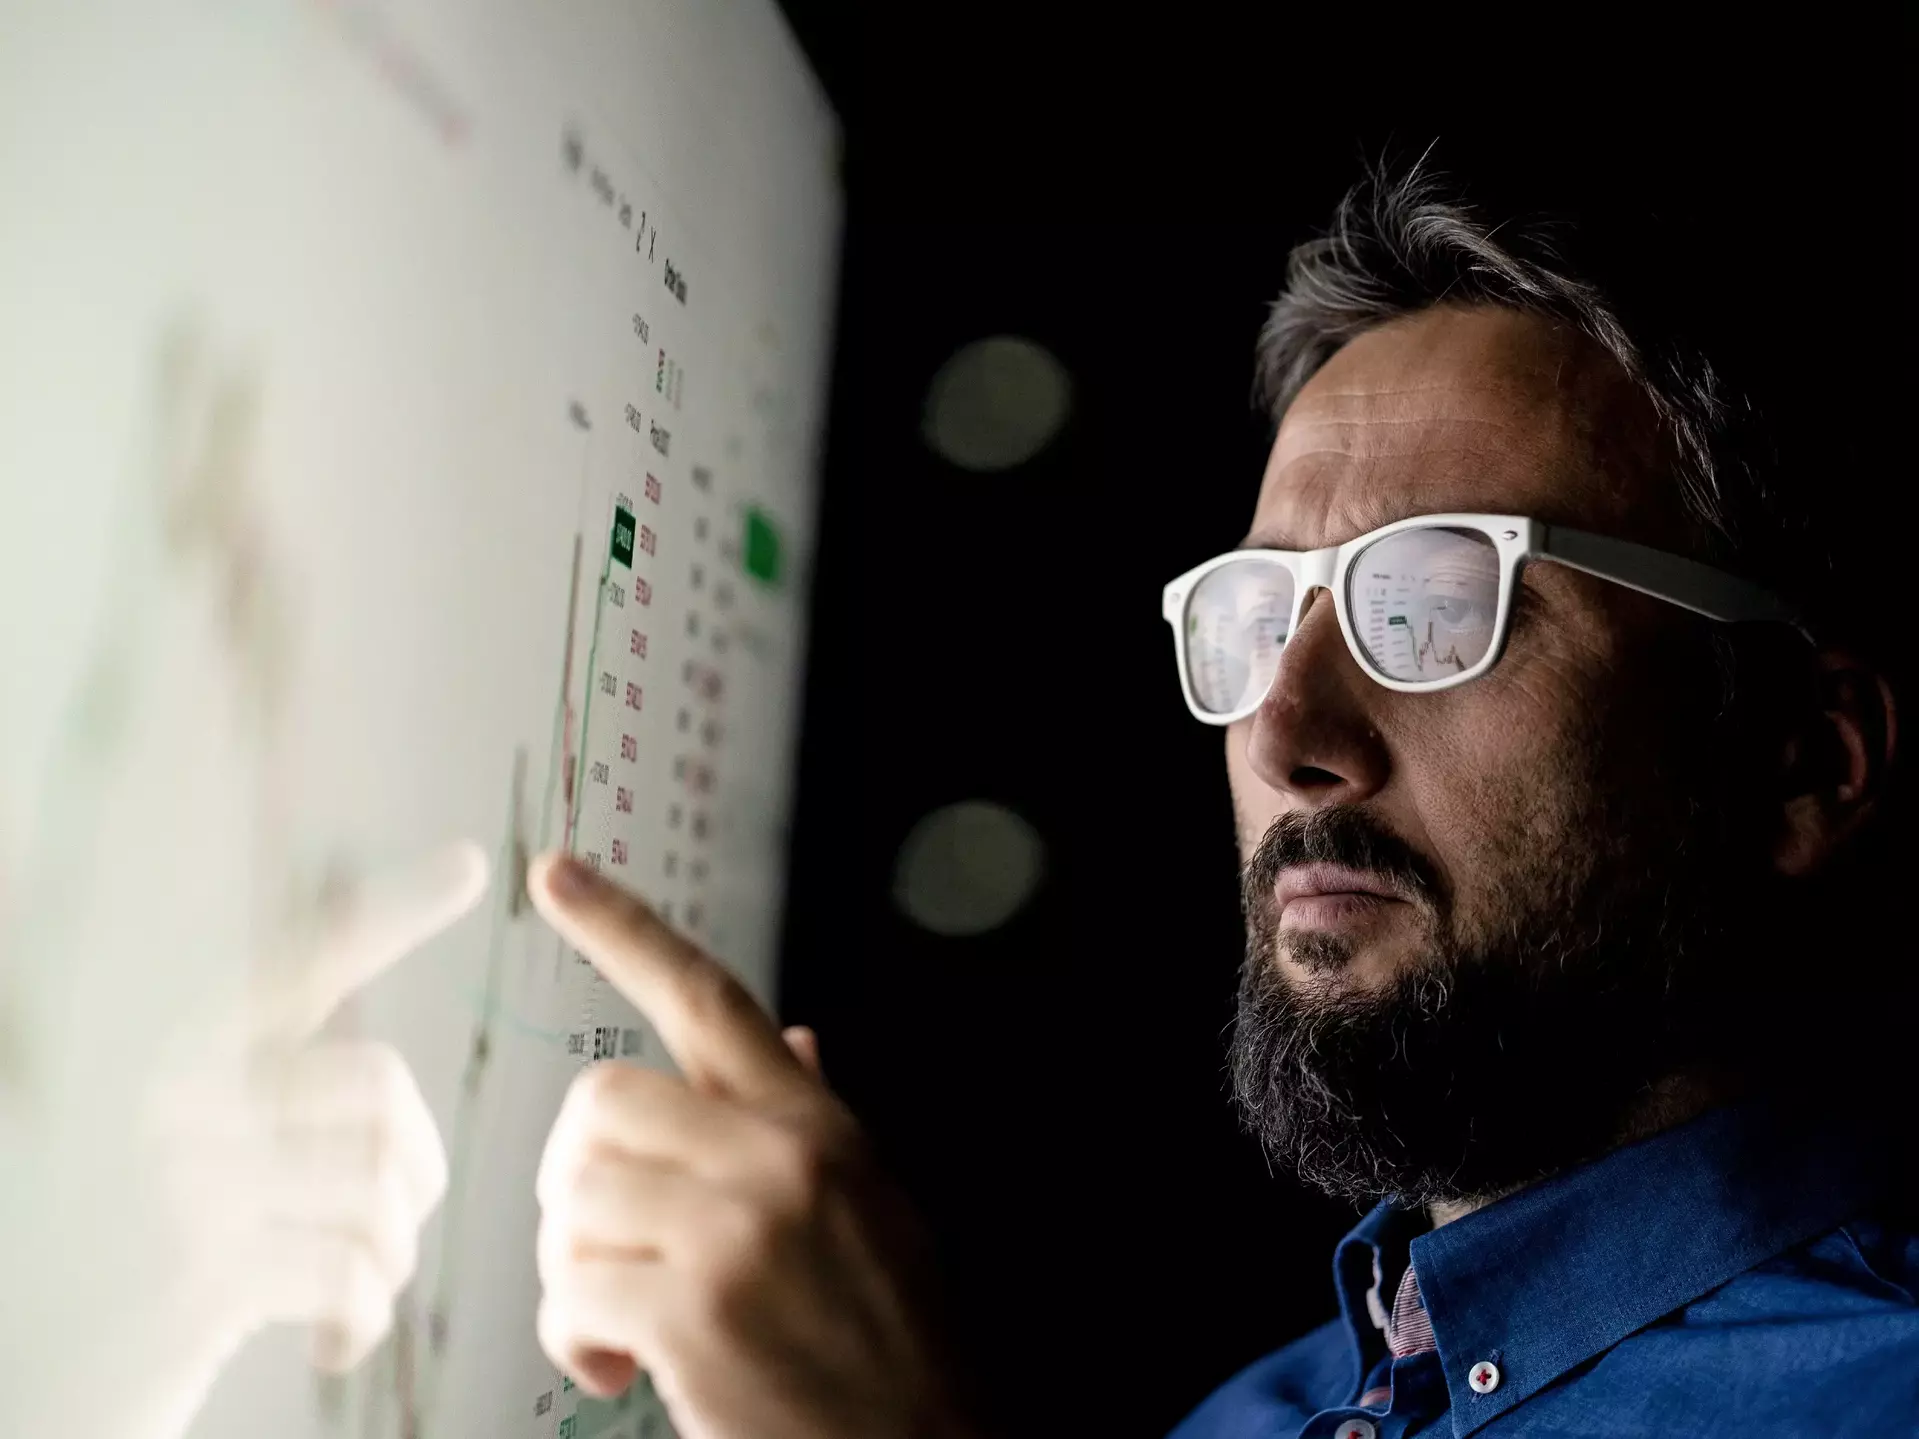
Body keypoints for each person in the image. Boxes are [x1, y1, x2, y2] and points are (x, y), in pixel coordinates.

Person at [525, 152, 1919, 1438]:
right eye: (1257, 613)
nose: (1283, 732)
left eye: (1435, 602)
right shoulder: (1251, 1416)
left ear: (1804, 760)